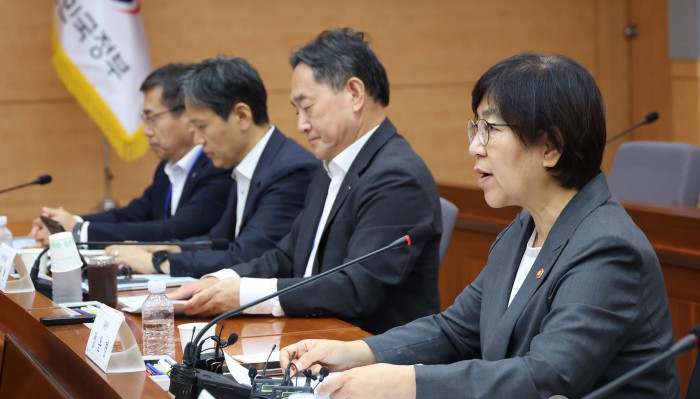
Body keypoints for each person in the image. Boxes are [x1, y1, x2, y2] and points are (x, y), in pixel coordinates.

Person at [280, 53, 682, 399]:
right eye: (475, 128)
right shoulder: (523, 228)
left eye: (490, 129)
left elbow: (547, 376)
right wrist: (354, 353)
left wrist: (403, 383)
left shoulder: (607, 248)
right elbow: (455, 330)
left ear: (551, 147)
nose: (474, 147)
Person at [170, 28, 442, 335]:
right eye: (296, 110)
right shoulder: (330, 168)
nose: (301, 125)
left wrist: (243, 295)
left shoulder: (396, 177)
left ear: (354, 94)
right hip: (311, 336)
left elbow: (356, 289)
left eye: (308, 107)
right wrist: (219, 281)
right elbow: (286, 256)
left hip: (367, 349)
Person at [105, 56, 319, 277]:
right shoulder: (245, 163)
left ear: (242, 116)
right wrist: (165, 249)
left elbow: (247, 257)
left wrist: (156, 263)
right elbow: (218, 241)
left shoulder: (291, 172)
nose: (198, 140)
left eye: (201, 126)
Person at [29, 63, 232, 245]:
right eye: (145, 120)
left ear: (188, 115)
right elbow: (132, 215)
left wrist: (78, 230)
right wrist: (70, 221)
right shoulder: (167, 167)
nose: (147, 131)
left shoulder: (217, 166)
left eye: (153, 119)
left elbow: (174, 230)